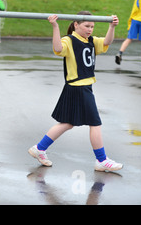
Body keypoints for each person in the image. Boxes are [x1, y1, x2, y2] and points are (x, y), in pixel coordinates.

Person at [28, 11, 123, 172]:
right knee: (95, 124)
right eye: (87, 26)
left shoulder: (91, 41)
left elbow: (107, 41)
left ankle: (39, 148)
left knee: (67, 123)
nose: (90, 29)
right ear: (76, 24)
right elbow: (58, 48)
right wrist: (55, 26)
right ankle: (101, 160)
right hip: (79, 87)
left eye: (92, 26)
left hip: (81, 87)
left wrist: (112, 26)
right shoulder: (69, 40)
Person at [115, 0, 141, 69]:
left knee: (129, 38)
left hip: (135, 20)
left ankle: (120, 53)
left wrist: (130, 21)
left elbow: (135, 9)